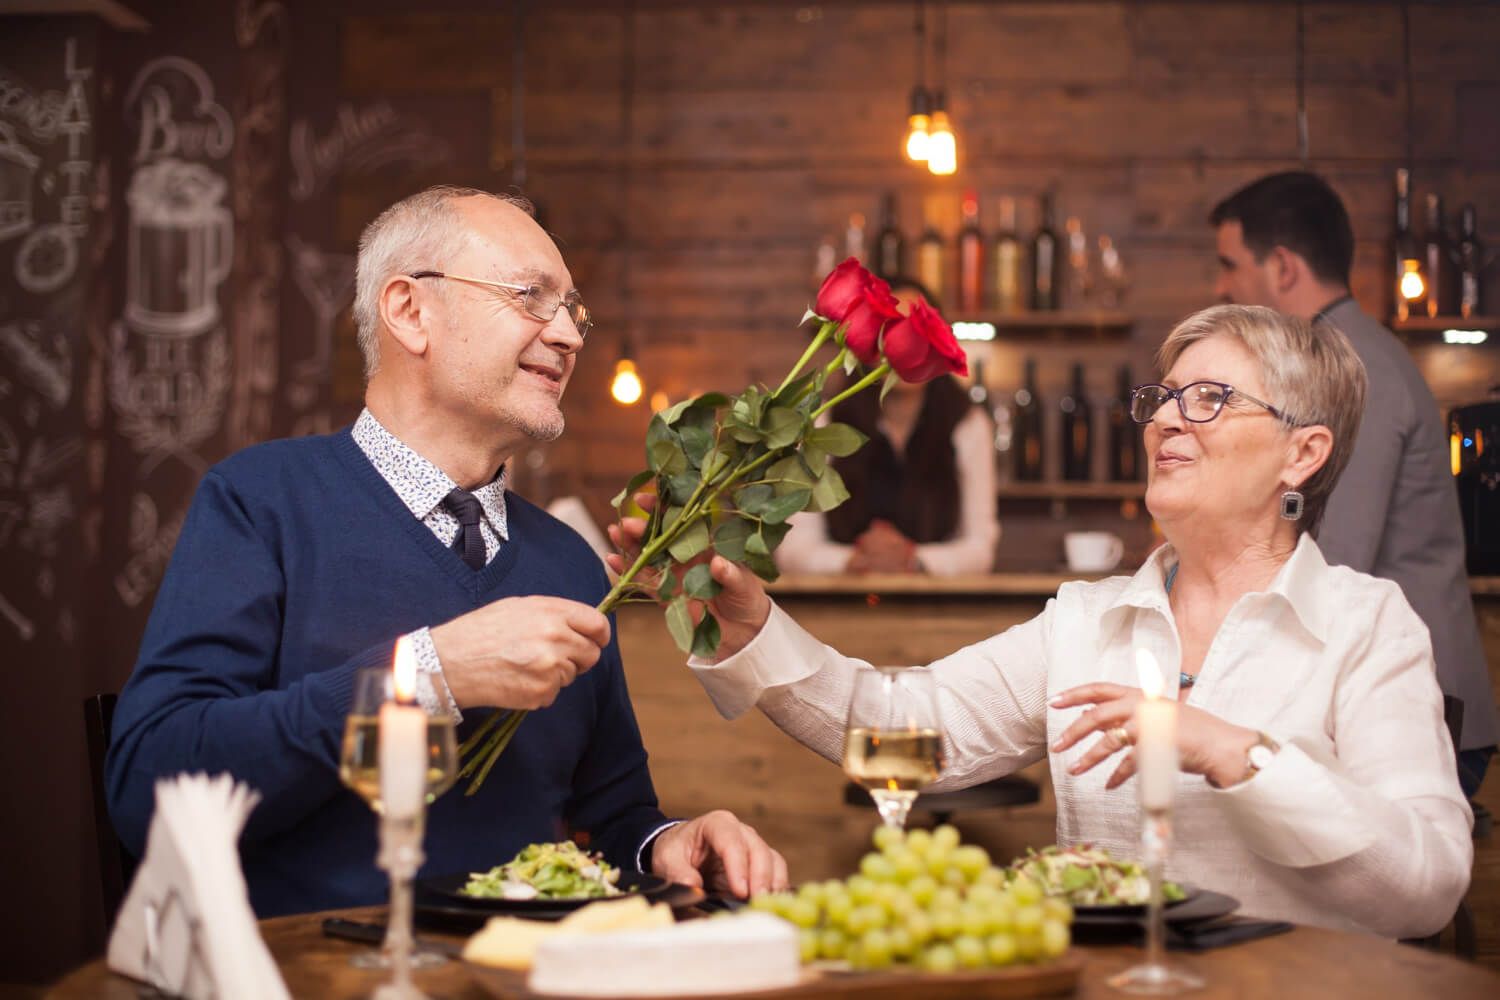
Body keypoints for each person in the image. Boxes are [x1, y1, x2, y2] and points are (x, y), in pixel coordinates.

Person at [616, 305, 1473, 938]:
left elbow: (1428, 883)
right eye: (1164, 397)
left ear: (1304, 451)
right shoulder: (1086, 621)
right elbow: (901, 727)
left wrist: (1234, 752)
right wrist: (750, 623)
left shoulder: (1369, 626)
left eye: (1210, 398)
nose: (1167, 419)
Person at [105, 185, 787, 917]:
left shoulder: (570, 563)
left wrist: (667, 842)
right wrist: (423, 678)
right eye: (531, 296)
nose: (570, 335)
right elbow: (155, 793)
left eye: (574, 311)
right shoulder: (261, 502)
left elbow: (610, 816)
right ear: (409, 311)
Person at [1209, 170, 1498, 800]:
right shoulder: (1336, 357)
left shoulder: (1349, 368)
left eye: (1229, 265)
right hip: (1377, 694)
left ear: (1282, 267)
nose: (1220, 286)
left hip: (1417, 712)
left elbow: (1336, 559)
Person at [775, 279, 999, 575]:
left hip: (938, 611)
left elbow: (981, 548)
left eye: (919, 329)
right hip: (839, 608)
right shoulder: (825, 420)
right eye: (890, 325)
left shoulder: (968, 424)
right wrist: (853, 561)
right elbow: (793, 548)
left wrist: (913, 558)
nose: (905, 338)